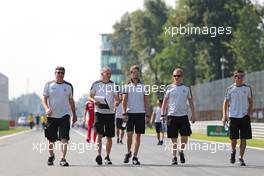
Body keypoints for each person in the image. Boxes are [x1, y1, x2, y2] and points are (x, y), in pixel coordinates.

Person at [42, 66, 77, 167]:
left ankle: (63, 158)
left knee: (64, 138)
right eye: (58, 72)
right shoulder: (49, 85)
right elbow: (44, 98)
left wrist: (74, 114)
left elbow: (71, 101)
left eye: (62, 73)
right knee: (51, 139)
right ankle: (51, 156)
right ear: (55, 73)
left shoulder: (69, 86)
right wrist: (46, 108)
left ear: (64, 74)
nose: (60, 74)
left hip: (65, 115)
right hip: (51, 116)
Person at [161, 68, 195, 165]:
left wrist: (193, 114)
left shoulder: (187, 88)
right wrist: (163, 114)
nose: (176, 78)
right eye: (175, 76)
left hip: (183, 116)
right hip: (172, 116)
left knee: (185, 136)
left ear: (182, 77)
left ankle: (181, 151)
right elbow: (164, 102)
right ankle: (174, 157)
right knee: (174, 138)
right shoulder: (169, 88)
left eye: (178, 76)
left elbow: (191, 102)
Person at [222, 69, 253, 166]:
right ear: (234, 77)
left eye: (241, 77)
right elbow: (225, 103)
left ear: (243, 78)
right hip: (233, 117)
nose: (239, 78)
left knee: (244, 138)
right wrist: (224, 115)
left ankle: (241, 158)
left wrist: (248, 113)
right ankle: (233, 151)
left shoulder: (247, 88)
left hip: (244, 117)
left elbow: (251, 101)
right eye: (238, 76)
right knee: (234, 139)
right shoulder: (230, 89)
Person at [88, 67, 119, 165]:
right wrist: (94, 101)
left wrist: (117, 103)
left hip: (110, 113)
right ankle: (98, 155)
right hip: (99, 112)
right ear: (102, 73)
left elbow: (117, 98)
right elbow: (90, 96)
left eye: (110, 73)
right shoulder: (96, 84)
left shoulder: (114, 84)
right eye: (107, 73)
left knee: (109, 137)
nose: (109, 74)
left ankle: (107, 156)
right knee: (99, 134)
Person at [122, 65, 150, 165]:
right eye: (133, 72)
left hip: (140, 114)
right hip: (130, 113)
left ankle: (135, 156)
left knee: (138, 136)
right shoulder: (126, 86)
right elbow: (124, 101)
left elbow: (147, 102)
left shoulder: (144, 87)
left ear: (138, 74)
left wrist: (147, 114)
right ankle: (128, 152)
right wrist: (124, 113)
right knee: (129, 134)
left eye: (136, 72)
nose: (135, 74)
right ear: (130, 73)